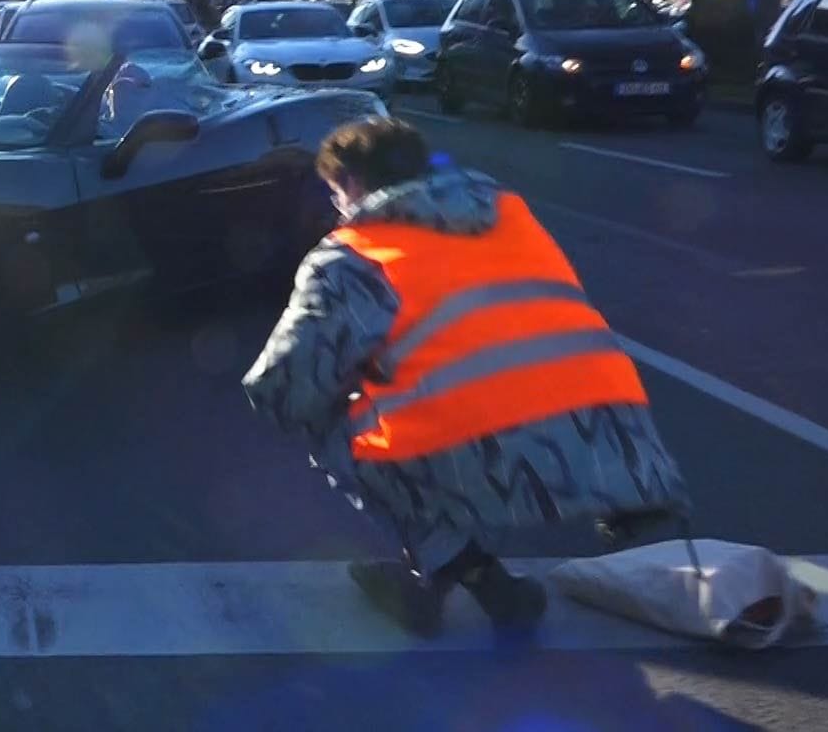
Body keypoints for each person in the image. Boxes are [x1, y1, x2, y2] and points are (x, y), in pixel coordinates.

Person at [243, 117, 689, 638]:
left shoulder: (350, 256)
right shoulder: (506, 213)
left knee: (331, 420)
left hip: (485, 452)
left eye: (336, 193)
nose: (337, 209)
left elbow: (286, 384)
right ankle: (472, 580)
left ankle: (461, 567)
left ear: (354, 186)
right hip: (607, 445)